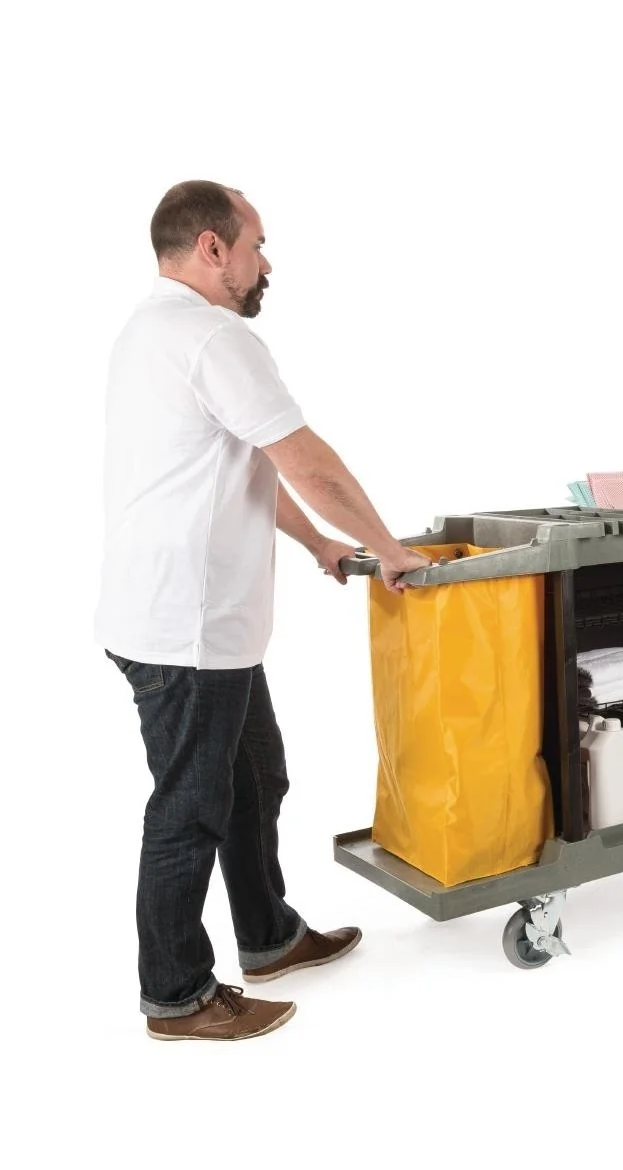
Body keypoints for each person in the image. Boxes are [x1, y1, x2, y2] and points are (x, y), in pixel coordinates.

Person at [95, 179, 430, 1042]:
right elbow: (306, 461)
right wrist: (391, 549)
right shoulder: (213, 336)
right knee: (190, 808)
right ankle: (177, 996)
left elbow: (238, 464)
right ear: (213, 248)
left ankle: (269, 936)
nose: (265, 263)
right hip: (187, 629)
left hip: (194, 623)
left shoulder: (150, 331)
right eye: (256, 244)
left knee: (257, 779)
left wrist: (320, 543)